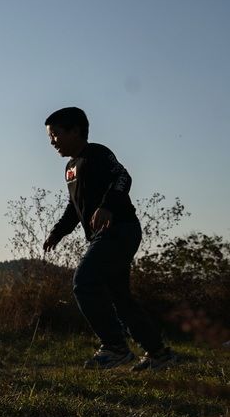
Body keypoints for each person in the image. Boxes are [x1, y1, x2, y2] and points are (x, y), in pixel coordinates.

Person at [42, 107, 176, 371]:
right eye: (50, 136)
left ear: (76, 130)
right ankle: (159, 354)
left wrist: (107, 206)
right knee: (120, 298)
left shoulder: (97, 153)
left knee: (84, 282)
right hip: (102, 237)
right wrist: (57, 233)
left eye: (56, 134)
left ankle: (114, 348)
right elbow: (75, 207)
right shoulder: (70, 168)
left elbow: (123, 177)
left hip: (121, 229)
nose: (52, 141)